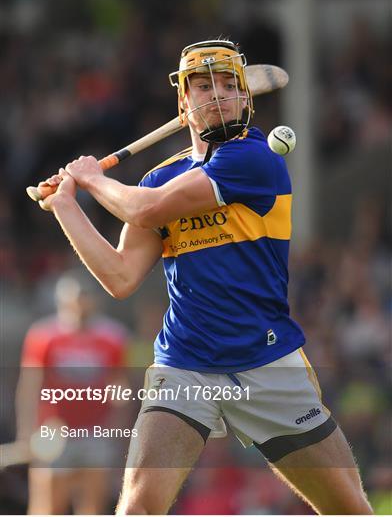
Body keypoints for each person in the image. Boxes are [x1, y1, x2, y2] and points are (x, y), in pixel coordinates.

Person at [37, 39, 373, 515]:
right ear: (184, 102)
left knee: (348, 509)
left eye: (227, 84)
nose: (216, 94)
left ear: (245, 97)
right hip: (186, 363)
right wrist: (67, 205)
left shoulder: (254, 159)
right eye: (203, 85)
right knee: (137, 507)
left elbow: (147, 208)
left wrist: (92, 179)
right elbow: (120, 276)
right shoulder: (158, 178)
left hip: (266, 359)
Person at [17, 270, 128, 514]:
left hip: (96, 432)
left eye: (86, 297)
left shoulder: (113, 337)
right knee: (48, 505)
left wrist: (119, 432)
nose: (80, 305)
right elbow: (30, 386)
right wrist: (27, 431)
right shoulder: (44, 335)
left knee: (92, 504)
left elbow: (119, 387)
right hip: (54, 431)